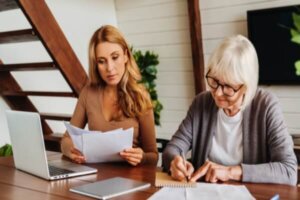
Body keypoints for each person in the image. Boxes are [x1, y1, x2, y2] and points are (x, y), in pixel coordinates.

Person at [162, 35, 297, 185]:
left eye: (228, 87)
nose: (218, 93)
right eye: (214, 81)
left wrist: (230, 172)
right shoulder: (201, 103)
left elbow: (288, 170)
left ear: (246, 86)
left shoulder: (266, 106)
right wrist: (175, 162)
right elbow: (173, 148)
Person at [61, 25, 158, 166]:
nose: (110, 68)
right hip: (96, 177)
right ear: (96, 64)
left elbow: (153, 156)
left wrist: (141, 157)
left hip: (132, 180)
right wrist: (71, 151)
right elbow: (65, 140)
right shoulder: (88, 93)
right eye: (102, 61)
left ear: (125, 55)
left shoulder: (140, 96)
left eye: (115, 57)